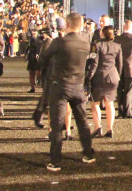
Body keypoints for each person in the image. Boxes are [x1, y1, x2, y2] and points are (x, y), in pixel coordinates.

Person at [38, 12, 95, 171]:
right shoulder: (86, 41)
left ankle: (55, 160)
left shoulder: (59, 42)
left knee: (56, 124)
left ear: (67, 25)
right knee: (82, 121)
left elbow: (42, 59)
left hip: (60, 85)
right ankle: (88, 153)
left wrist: (47, 43)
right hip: (78, 85)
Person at [87, 25, 122, 138]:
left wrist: (89, 76)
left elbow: (94, 63)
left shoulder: (97, 45)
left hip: (99, 76)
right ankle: (110, 128)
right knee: (110, 103)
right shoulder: (117, 46)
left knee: (95, 103)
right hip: (112, 76)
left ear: (102, 33)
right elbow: (120, 64)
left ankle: (98, 127)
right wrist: (118, 75)